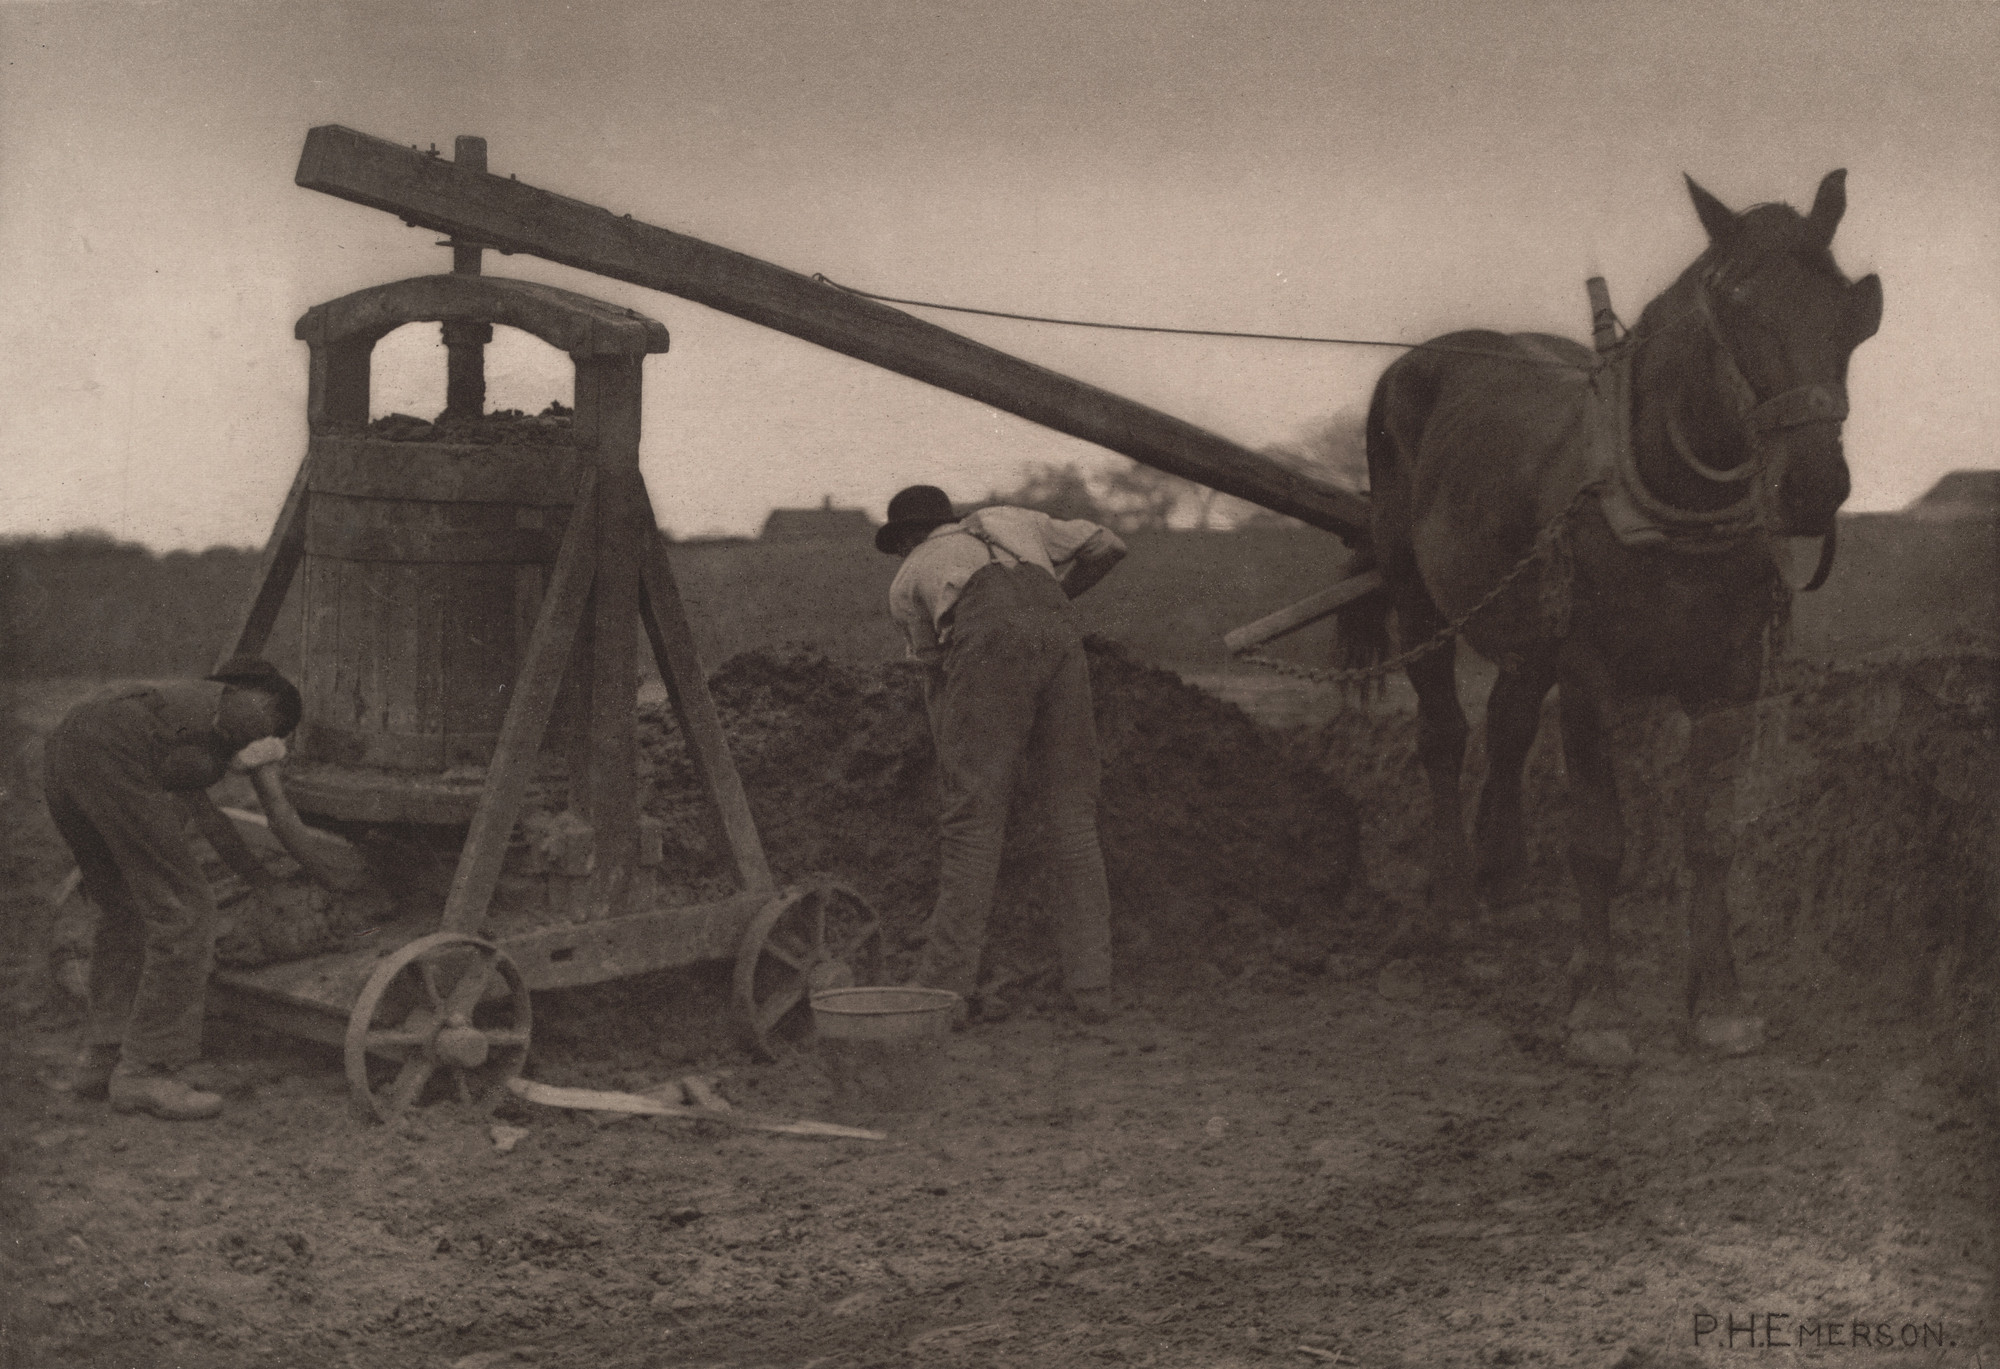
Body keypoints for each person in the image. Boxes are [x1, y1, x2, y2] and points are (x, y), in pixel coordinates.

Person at [877, 484, 1127, 1025]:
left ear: (909, 537)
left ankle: (945, 992)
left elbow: (934, 672)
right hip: (1060, 638)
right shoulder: (1013, 519)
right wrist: (1056, 602)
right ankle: (1092, 990)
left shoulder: (908, 577)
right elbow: (1109, 545)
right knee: (1074, 822)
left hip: (987, 654)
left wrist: (958, 759)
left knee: (971, 826)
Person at [44, 656, 301, 1119]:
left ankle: (103, 1056)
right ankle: (149, 1070)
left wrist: (257, 878)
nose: (267, 733)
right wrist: (268, 752)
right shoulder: (248, 706)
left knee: (124, 911)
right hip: (111, 757)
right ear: (269, 703)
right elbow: (267, 795)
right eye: (277, 727)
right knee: (186, 914)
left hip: (67, 751)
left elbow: (208, 818)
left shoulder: (175, 710)